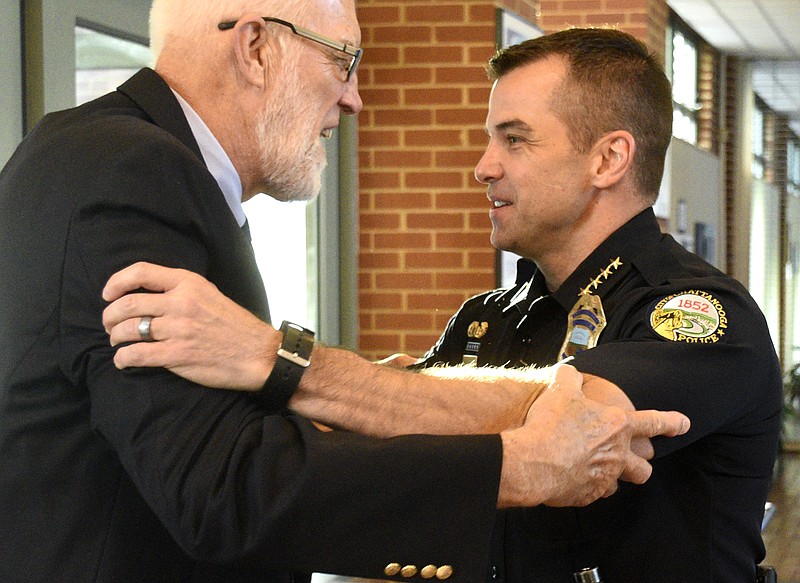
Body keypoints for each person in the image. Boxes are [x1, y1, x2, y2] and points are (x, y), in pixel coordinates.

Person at [0, 2, 690, 582]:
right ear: (256, 48)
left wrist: (287, 370)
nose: (354, 98)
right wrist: (519, 466)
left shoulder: (114, 158)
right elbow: (222, 485)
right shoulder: (135, 169)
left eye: (516, 138)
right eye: (344, 61)